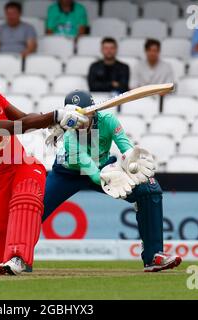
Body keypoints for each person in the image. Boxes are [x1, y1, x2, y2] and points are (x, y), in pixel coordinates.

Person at [0, 63, 88, 275]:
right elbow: (17, 127)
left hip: (23, 165)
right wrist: (53, 117)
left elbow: (22, 117)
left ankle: (19, 257)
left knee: (28, 199)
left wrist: (53, 121)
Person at [42, 90, 182, 272]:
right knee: (34, 209)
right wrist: (108, 179)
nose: (81, 122)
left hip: (102, 165)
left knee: (150, 189)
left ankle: (153, 256)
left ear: (93, 111)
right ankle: (13, 254)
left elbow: (126, 148)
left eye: (85, 115)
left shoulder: (108, 120)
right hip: (68, 172)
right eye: (77, 117)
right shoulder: (69, 136)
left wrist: (134, 163)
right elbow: (91, 173)